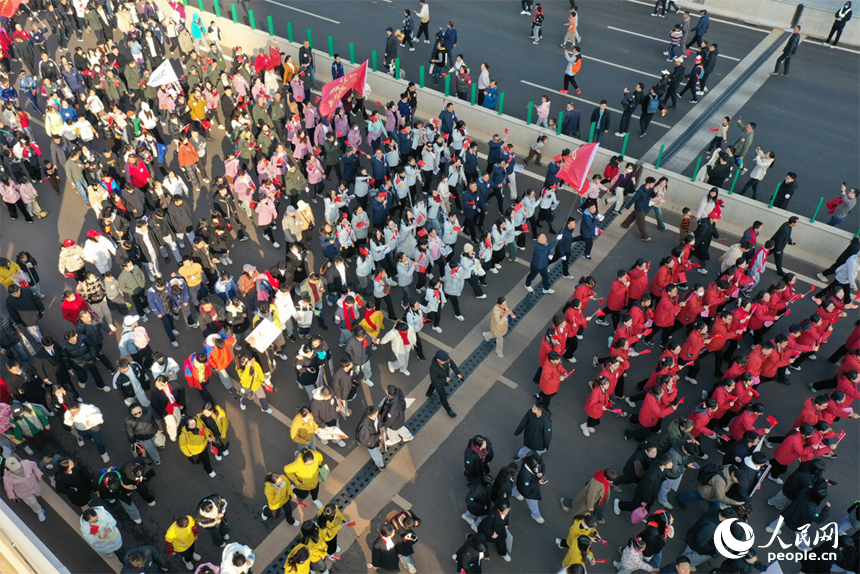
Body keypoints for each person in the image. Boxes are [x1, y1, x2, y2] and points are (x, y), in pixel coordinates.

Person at [3, 457, 47, 522]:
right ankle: (39, 511)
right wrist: (13, 496)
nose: (18, 470)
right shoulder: (8, 478)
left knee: (39, 493)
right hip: (24, 493)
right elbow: (8, 488)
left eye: (18, 467)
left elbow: (34, 466)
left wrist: (39, 475)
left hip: (35, 485)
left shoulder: (27, 463)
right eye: (15, 469)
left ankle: (38, 503)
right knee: (33, 503)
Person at [426, 350, 463, 417]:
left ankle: (428, 393)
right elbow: (434, 380)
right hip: (439, 384)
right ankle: (449, 411)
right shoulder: (433, 368)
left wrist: (458, 373)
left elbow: (452, 364)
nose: (446, 361)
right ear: (438, 360)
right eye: (444, 361)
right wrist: (445, 380)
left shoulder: (446, 358)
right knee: (443, 397)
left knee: (432, 385)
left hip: (441, 380)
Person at [512, 453, 548, 523]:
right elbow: (527, 488)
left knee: (519, 488)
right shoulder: (525, 474)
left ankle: (515, 493)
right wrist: (538, 483)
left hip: (523, 484)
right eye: (537, 466)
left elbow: (543, 465)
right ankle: (536, 515)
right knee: (533, 503)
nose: (539, 466)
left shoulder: (532, 462)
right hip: (528, 490)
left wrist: (542, 473)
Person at [356, 405, 386, 471]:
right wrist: (378, 437)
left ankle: (359, 442)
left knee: (360, 440)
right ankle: (380, 464)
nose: (378, 413)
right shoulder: (365, 426)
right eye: (376, 413)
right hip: (368, 441)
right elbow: (366, 438)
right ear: (372, 416)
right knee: (374, 451)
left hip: (363, 436)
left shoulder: (370, 416)